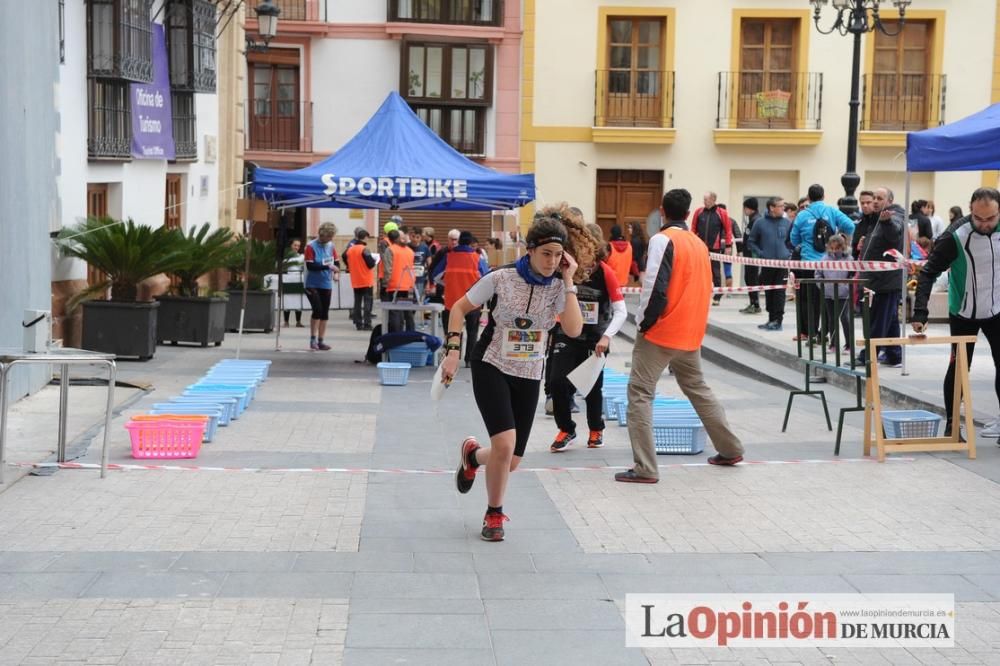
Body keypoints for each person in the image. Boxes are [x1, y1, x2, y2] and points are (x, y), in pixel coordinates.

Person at [443, 205, 585, 541]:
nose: (551, 261)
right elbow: (459, 307)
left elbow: (575, 330)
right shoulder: (501, 278)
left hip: (530, 372)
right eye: (546, 254)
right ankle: (494, 515)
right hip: (491, 364)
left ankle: (473, 456)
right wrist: (452, 352)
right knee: (505, 444)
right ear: (530, 250)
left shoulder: (558, 287)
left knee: (512, 459)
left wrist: (569, 281)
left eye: (558, 256)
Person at [616, 188, 746, 484]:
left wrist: (643, 323)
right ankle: (730, 448)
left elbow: (654, 286)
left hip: (661, 331)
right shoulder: (699, 244)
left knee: (640, 394)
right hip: (690, 331)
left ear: (662, 210)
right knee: (698, 388)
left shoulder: (663, 240)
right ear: (689, 214)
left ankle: (645, 467)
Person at [913, 187, 1000, 441]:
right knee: (960, 366)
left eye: (991, 219)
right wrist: (920, 312)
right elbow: (928, 272)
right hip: (963, 310)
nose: (984, 224)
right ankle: (952, 426)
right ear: (970, 210)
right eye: (978, 218)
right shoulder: (954, 236)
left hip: (997, 308)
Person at [549, 221, 627, 453]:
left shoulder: (605, 272)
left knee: (592, 387)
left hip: (595, 339)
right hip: (566, 334)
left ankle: (596, 429)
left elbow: (621, 311)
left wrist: (607, 337)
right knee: (556, 382)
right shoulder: (567, 271)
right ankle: (566, 428)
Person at [789, 184, 855, 343]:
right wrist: (841, 240)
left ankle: (811, 334)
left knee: (809, 301)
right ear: (823, 196)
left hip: (808, 265)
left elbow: (793, 240)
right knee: (827, 301)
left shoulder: (802, 215)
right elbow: (850, 226)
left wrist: (806, 242)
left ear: (809, 197)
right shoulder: (831, 211)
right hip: (829, 264)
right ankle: (825, 334)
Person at [857, 186, 905, 368]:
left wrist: (887, 222)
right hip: (876, 279)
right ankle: (894, 355)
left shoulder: (894, 217)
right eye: (874, 197)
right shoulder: (875, 219)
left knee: (878, 320)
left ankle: (868, 355)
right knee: (890, 319)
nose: (875, 201)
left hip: (885, 281)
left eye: (880, 198)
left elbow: (894, 235)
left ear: (890, 201)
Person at [432, 230, 489, 367]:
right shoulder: (477, 258)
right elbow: (486, 279)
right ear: (470, 243)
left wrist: (449, 283)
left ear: (459, 241)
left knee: (452, 332)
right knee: (472, 332)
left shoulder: (448, 257)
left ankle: (451, 358)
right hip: (472, 301)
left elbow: (435, 276)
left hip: (452, 301)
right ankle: (469, 360)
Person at [747, 197, 792, 331]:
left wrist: (789, 252)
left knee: (779, 292)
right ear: (772, 208)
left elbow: (793, 240)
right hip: (767, 263)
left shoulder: (787, 223)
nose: (783, 209)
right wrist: (761, 253)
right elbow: (751, 241)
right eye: (780, 206)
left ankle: (778, 320)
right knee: (769, 291)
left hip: (783, 264)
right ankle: (771, 318)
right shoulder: (760, 223)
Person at [690, 191, 734, 306]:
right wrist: (692, 242)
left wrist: (728, 245)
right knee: (699, 269)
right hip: (700, 247)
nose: (704, 201)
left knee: (715, 271)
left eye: (706, 199)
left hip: (715, 247)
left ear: (713, 200)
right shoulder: (698, 212)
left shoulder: (721, 212)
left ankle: (718, 294)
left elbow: (728, 229)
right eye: (704, 199)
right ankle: (698, 292)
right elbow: (693, 228)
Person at [304, 223, 340, 351]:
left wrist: (336, 272)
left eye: (332, 237)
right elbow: (310, 266)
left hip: (326, 283)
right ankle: (312, 339)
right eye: (329, 236)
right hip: (312, 283)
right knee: (317, 310)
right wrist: (328, 267)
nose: (330, 239)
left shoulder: (331, 246)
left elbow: (336, 262)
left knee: (324, 312)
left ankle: (321, 341)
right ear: (322, 234)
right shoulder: (310, 246)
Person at [814, 234, 853, 353]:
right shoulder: (824, 259)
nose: (835, 251)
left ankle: (849, 345)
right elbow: (818, 274)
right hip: (828, 293)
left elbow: (852, 275)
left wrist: (846, 287)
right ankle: (833, 344)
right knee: (831, 319)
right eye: (832, 248)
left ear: (843, 247)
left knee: (844, 318)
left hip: (843, 294)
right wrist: (823, 286)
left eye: (838, 248)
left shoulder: (849, 259)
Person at [380, 229, 416, 332]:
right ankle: (411, 333)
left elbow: (388, 269)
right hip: (409, 285)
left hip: (394, 285)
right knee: (408, 312)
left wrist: (385, 283)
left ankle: (397, 334)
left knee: (395, 312)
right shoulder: (410, 251)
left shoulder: (390, 250)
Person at [344, 227, 376, 330]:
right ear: (365, 237)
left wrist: (349, 265)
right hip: (366, 279)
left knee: (357, 302)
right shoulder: (364, 249)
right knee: (367, 302)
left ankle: (358, 323)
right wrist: (375, 260)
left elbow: (343, 255)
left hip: (356, 279)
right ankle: (367, 323)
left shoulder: (350, 249)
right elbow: (371, 264)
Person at [739, 198, 762, 315]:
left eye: (745, 208)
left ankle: (755, 304)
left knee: (751, 278)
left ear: (748, 208)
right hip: (750, 255)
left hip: (752, 255)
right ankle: (753, 302)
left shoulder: (755, 220)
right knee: (749, 278)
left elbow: (752, 239)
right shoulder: (753, 219)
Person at [282, 238, 305, 328]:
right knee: (287, 300)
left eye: (298, 246)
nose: (296, 247)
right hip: (287, 279)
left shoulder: (302, 256)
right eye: (295, 245)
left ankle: (298, 321)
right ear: (291, 245)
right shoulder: (285, 256)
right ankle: (286, 322)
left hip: (298, 279)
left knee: (298, 301)